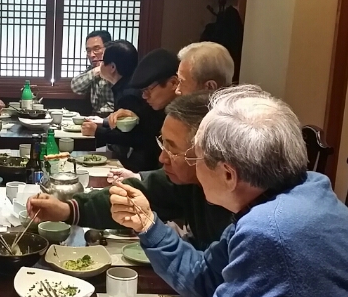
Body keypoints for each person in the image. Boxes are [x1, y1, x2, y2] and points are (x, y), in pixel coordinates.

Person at [109, 85, 348, 297]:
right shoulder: (294, 193)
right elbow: (205, 279)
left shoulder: (271, 230)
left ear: (228, 175)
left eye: (197, 158)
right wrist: (149, 225)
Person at [28, 92, 232, 250]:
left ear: (206, 153)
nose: (162, 158)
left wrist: (149, 226)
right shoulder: (187, 183)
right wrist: (67, 210)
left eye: (172, 149)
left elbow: (208, 277)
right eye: (162, 144)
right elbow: (133, 193)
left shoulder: (238, 216)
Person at [82, 46, 174, 172]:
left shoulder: (129, 93)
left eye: (148, 90)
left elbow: (140, 137)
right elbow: (145, 127)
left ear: (174, 83)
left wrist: (98, 131)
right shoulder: (154, 102)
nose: (144, 96)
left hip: (143, 165)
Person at [108, 41, 234, 124]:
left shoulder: (225, 126)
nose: (177, 90)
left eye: (182, 82)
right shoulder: (189, 112)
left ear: (209, 87)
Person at [70, 30, 115, 115]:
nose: (92, 55)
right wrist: (95, 71)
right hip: (95, 115)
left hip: (115, 116)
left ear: (108, 48)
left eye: (96, 49)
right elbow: (75, 86)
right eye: (88, 51)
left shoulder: (116, 68)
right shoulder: (92, 68)